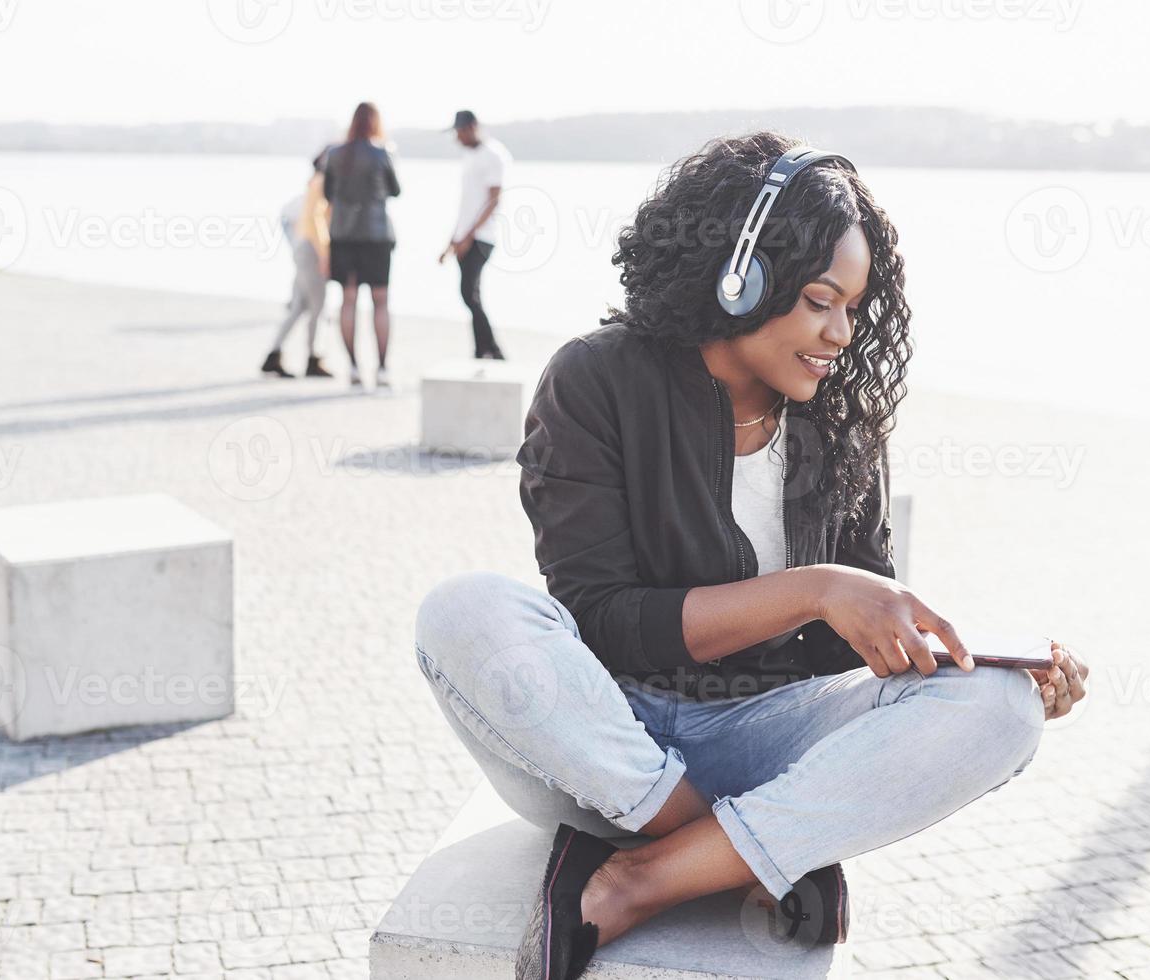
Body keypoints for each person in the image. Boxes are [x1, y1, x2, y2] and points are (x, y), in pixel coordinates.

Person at [413, 133, 1090, 979]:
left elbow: (839, 652)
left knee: (998, 709)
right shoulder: (595, 379)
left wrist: (967, 659)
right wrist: (813, 589)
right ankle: (747, 849)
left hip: (761, 737)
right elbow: (603, 622)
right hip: (599, 742)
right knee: (464, 610)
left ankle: (649, 877)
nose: (841, 333)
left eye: (852, 307)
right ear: (742, 278)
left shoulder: (837, 424)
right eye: (819, 300)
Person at [315, 102, 400, 391]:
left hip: (343, 236)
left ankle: (351, 366)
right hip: (376, 235)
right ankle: (383, 368)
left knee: (348, 301)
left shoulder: (335, 153)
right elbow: (396, 190)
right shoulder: (382, 152)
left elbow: (327, 193)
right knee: (380, 301)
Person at [438, 109, 509, 360]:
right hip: (463, 237)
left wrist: (469, 236)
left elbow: (493, 201)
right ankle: (483, 349)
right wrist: (451, 241)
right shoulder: (469, 156)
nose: (458, 137)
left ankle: (492, 350)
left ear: (472, 127)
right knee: (470, 295)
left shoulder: (493, 154)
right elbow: (466, 205)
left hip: (482, 237)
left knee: (469, 293)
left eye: (460, 131)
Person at [262, 173, 330, 378]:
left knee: (299, 306)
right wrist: (325, 255)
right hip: (312, 251)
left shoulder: (314, 185)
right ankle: (312, 359)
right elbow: (314, 221)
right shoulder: (322, 183)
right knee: (317, 307)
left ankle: (274, 354)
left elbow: (291, 218)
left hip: (302, 248)